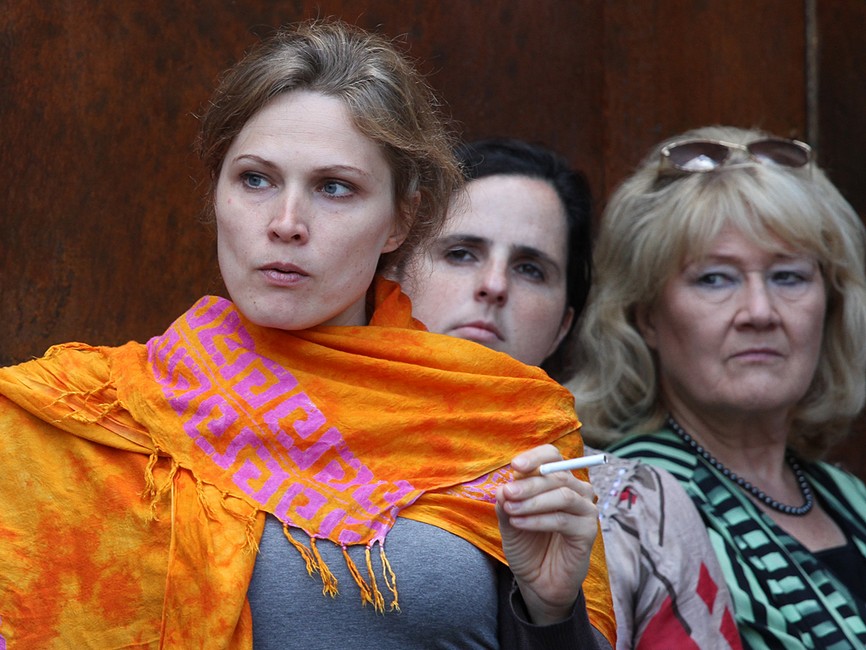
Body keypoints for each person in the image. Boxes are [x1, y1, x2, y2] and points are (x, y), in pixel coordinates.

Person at [0, 21, 615, 649]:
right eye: (256, 179)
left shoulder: (506, 423)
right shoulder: (82, 411)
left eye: (334, 188)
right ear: (217, 192)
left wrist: (550, 610)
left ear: (402, 220)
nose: (286, 222)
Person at [398, 137, 741, 649]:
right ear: (394, 274)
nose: (494, 284)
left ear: (563, 326)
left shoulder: (637, 506)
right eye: (461, 253)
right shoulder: (302, 451)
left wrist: (555, 613)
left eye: (530, 268)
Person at [571, 124, 866, 649]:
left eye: (788, 276)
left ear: (831, 304)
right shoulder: (624, 504)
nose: (760, 312)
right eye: (715, 278)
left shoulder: (849, 496)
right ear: (646, 317)